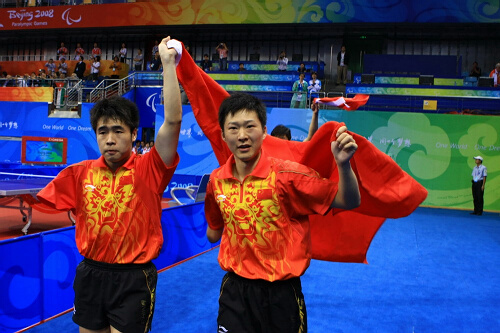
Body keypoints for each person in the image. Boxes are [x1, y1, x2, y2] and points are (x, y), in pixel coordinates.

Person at [36, 36, 183, 333]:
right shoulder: (79, 173)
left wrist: (168, 65)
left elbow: (172, 121)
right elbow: (37, 202)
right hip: (91, 273)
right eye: (103, 132)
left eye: (118, 130)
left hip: (134, 278)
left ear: (133, 134)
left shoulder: (149, 168)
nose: (110, 138)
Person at [204, 92, 360, 332]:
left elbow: (347, 201)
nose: (242, 136)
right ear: (223, 135)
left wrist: (343, 163)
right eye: (233, 128)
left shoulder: (288, 176)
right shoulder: (216, 181)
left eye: (250, 127)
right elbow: (214, 232)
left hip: (281, 296)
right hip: (235, 294)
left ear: (264, 131)